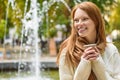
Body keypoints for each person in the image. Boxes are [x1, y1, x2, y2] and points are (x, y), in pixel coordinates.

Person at [56, 1, 120, 80]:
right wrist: (84, 64)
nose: (79, 24)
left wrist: (98, 64)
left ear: (96, 21)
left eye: (85, 19)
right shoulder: (68, 51)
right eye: (76, 20)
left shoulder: (111, 50)